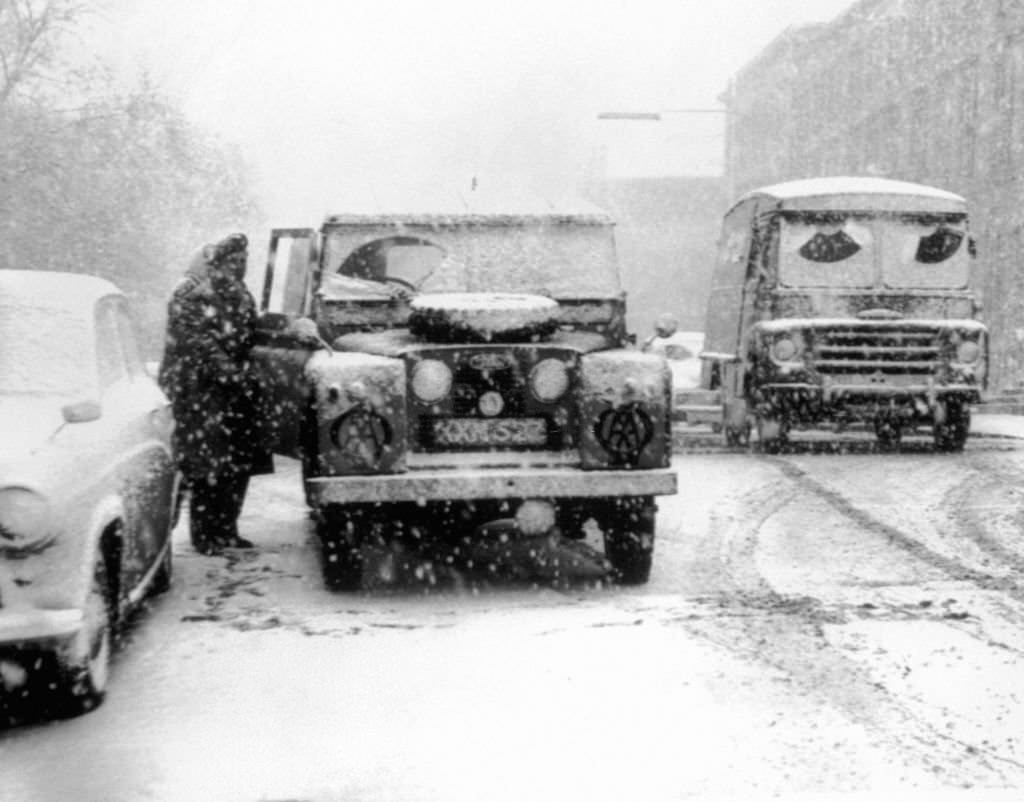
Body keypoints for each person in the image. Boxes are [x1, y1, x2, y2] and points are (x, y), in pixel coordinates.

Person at [158, 233, 273, 555]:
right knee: (206, 465)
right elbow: (199, 342)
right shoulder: (191, 293)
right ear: (216, 263)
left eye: (243, 261)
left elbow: (251, 332)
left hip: (231, 391)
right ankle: (205, 535)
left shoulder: (240, 294)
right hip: (198, 391)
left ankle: (227, 529)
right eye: (233, 261)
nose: (239, 267)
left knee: (236, 464)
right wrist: (232, 375)